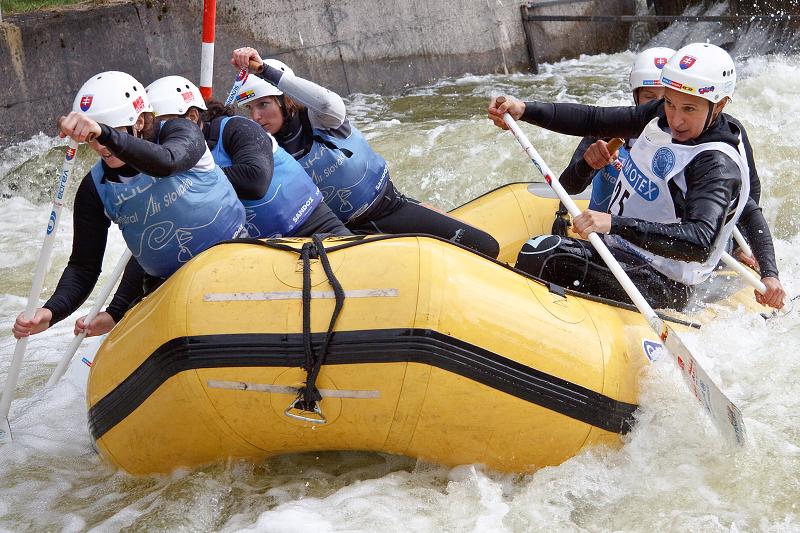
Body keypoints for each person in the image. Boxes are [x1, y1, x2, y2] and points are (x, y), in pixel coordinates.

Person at [488, 43, 784, 310]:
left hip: (663, 279)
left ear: (719, 105)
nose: (676, 119)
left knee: (544, 253)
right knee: (542, 250)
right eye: (670, 103)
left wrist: (614, 224)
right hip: (621, 251)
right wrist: (525, 109)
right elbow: (593, 118)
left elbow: (700, 243)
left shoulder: (714, 164)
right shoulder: (660, 116)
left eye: (689, 109)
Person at [12, 71, 246, 339]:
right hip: (169, 285)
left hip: (235, 254)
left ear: (140, 122)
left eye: (109, 133)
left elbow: (167, 162)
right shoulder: (95, 188)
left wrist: (104, 133)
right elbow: (83, 267)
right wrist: (51, 312)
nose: (100, 147)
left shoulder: (180, 132)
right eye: (92, 138)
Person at [229, 47, 501, 259]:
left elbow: (328, 101)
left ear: (286, 100)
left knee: (484, 245)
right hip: (340, 234)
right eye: (250, 109)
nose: (256, 117)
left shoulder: (320, 119)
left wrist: (263, 70)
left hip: (388, 208)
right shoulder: (265, 151)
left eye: (263, 105)